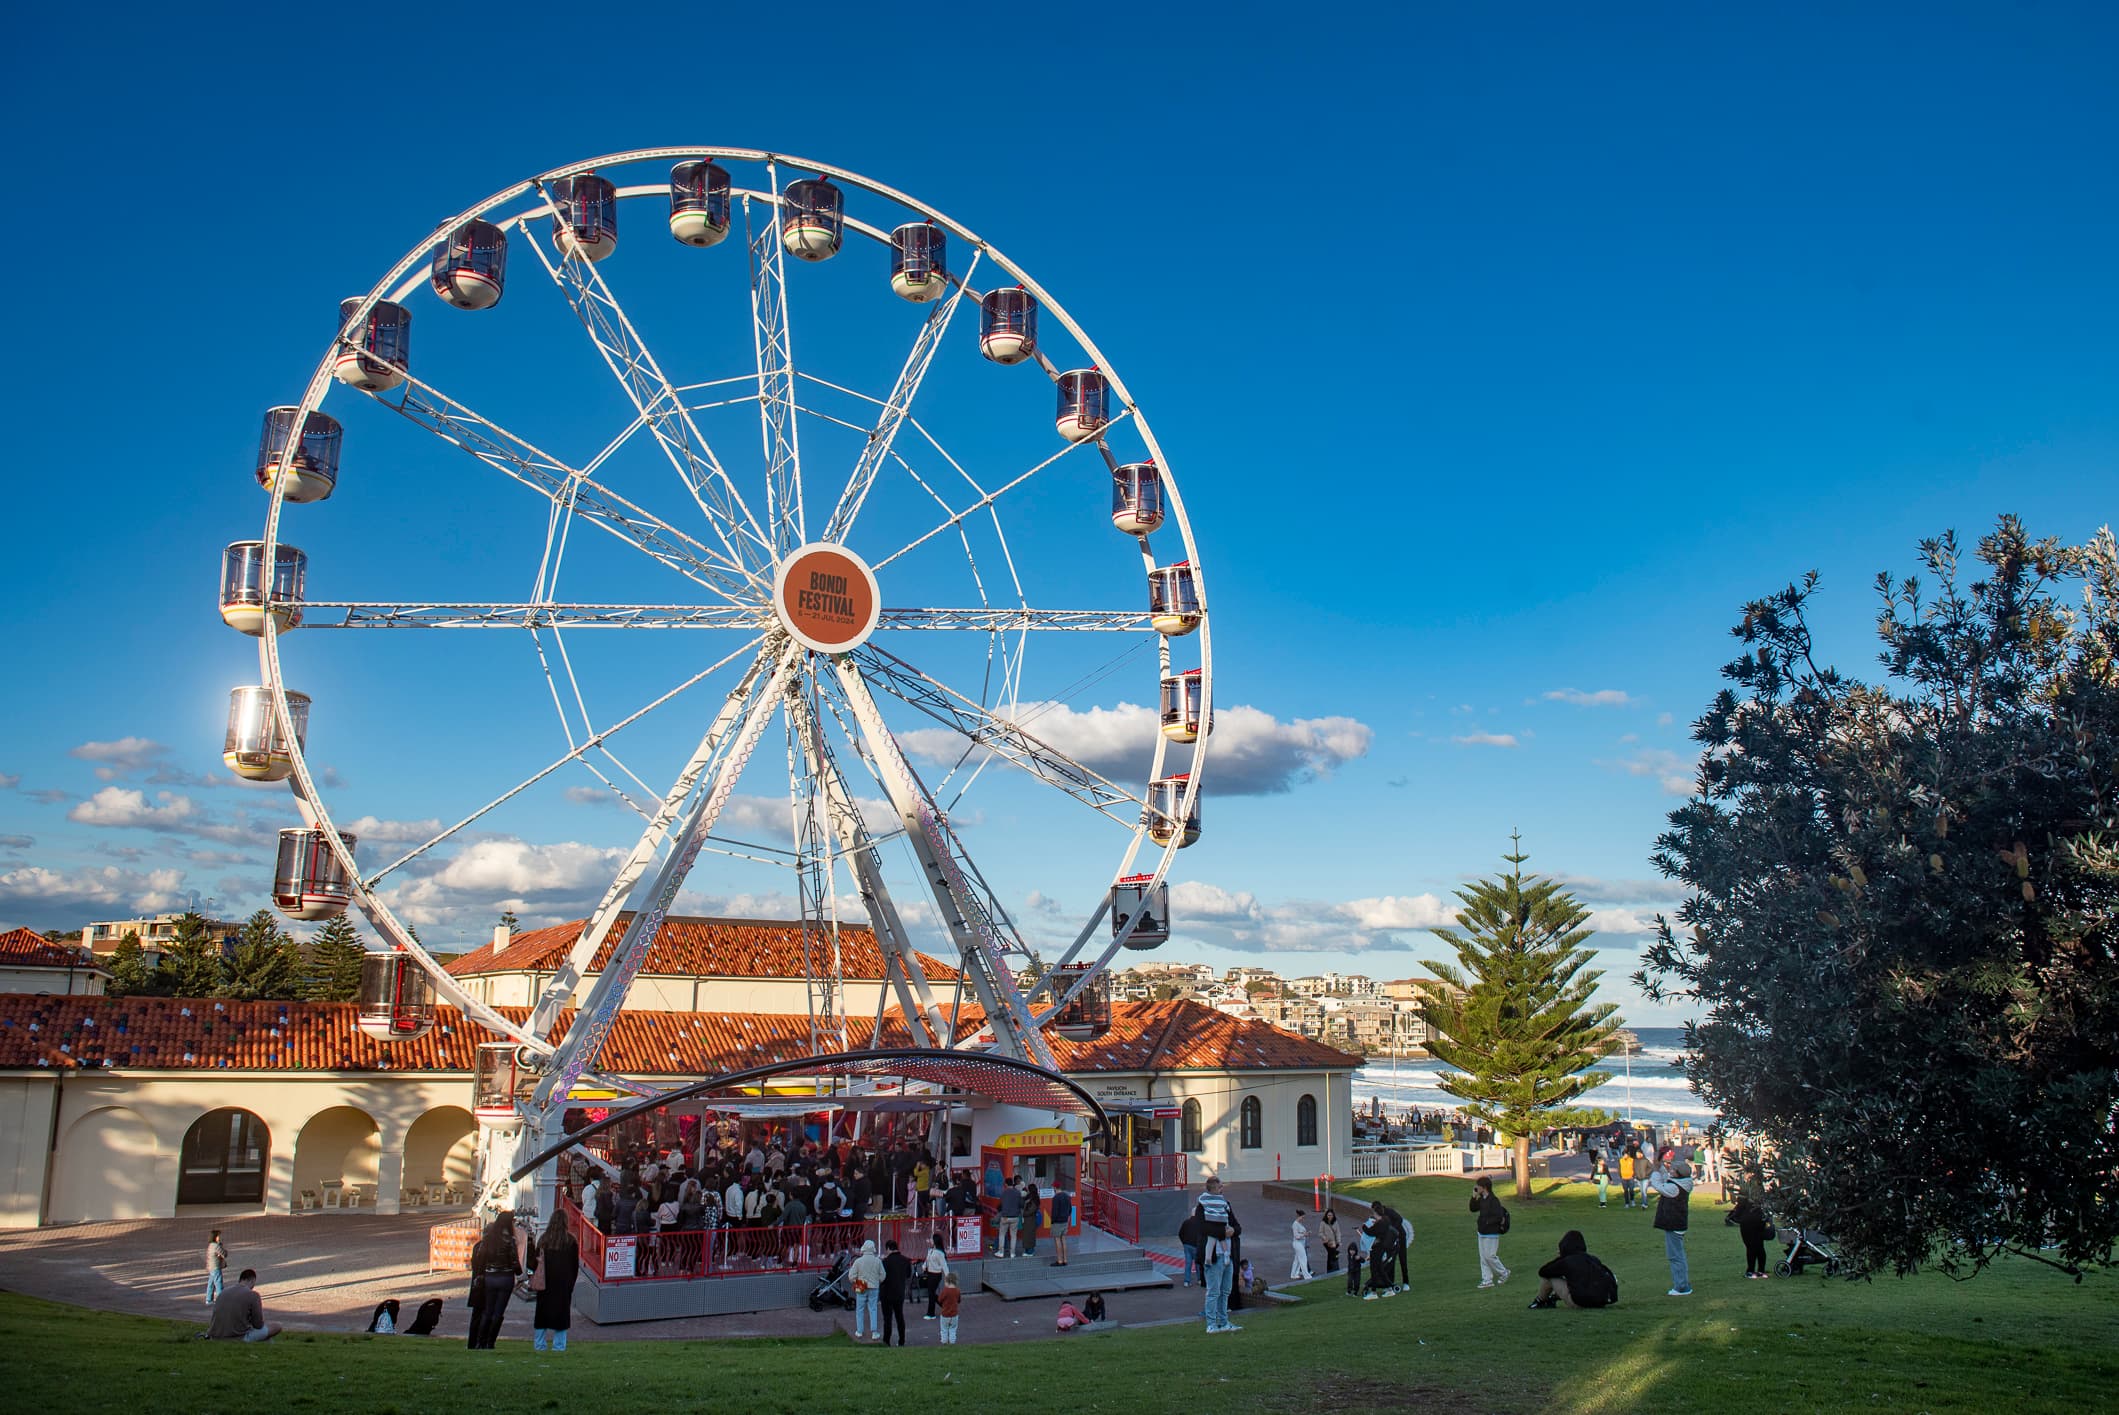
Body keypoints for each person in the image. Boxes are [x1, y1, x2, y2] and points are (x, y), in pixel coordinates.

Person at [466, 1212, 523, 1349]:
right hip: (505, 1277)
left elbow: (480, 1258)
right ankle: (490, 1342)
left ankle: (481, 1341)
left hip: (490, 1276)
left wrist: (481, 1274)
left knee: (487, 1311)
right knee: (498, 1312)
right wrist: (520, 1273)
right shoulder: (509, 1240)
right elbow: (514, 1261)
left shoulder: (488, 1240)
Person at [1195, 1177, 1240, 1333]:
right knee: (1214, 1291)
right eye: (1220, 1187)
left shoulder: (1225, 1204)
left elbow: (1236, 1225)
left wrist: (1233, 1231)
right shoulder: (1202, 1206)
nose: (1223, 1189)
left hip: (1227, 1254)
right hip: (1214, 1256)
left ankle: (1223, 1322)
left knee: (1225, 1290)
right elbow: (1202, 1228)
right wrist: (1223, 1232)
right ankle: (1211, 1324)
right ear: (1213, 1188)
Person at [1528, 1229, 1619, 1309]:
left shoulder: (1567, 1261)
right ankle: (1553, 1298)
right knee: (1577, 1280)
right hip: (1600, 1302)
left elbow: (1543, 1272)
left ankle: (1539, 1301)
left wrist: (1560, 1258)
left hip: (1581, 1302)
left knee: (1551, 1278)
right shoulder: (1593, 1259)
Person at [531, 1213, 581, 1352]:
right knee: (562, 1315)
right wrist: (571, 1283)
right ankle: (559, 1346)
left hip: (545, 1281)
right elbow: (574, 1265)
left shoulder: (543, 1240)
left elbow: (534, 1262)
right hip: (563, 1282)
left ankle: (539, 1344)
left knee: (542, 1313)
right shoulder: (570, 1240)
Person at [1649, 1156, 1695, 1296]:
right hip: (1678, 1223)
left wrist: (1656, 1171)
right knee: (1678, 1255)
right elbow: (1666, 1179)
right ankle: (1683, 1284)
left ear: (1678, 1173)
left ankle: (1681, 1287)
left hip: (1674, 1224)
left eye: (1673, 1170)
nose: (1671, 1171)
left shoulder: (1674, 1188)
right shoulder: (1682, 1183)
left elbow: (1658, 1185)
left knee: (1675, 1256)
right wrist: (1661, 1168)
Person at [206, 1268, 281, 1342]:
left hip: (215, 1335)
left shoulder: (223, 1292)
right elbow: (258, 1325)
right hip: (238, 1337)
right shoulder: (253, 1295)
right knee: (277, 1326)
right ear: (252, 1280)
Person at [1470, 1176, 1511, 1289]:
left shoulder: (1493, 1200)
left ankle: (1504, 1272)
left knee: (1489, 1256)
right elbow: (1473, 1209)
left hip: (1491, 1233)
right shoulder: (1482, 1199)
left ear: (1484, 1187)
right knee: (1483, 1257)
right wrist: (1474, 1197)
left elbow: (1498, 1216)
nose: (1476, 1187)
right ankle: (1487, 1280)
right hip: (1482, 1232)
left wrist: (1487, 1222)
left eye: (1478, 1185)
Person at [1734, 1167, 1772, 1279]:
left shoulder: (1747, 1188)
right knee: (1759, 1245)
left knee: (1750, 1246)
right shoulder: (1761, 1188)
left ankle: (1750, 1271)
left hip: (1748, 1219)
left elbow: (1741, 1203)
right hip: (1759, 1218)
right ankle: (1761, 1270)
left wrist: (1736, 1216)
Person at [879, 1239, 914, 1346]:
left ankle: (886, 1341)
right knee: (900, 1317)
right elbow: (908, 1275)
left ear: (888, 1249)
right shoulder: (905, 1260)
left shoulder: (885, 1262)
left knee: (887, 1318)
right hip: (899, 1293)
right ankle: (901, 1340)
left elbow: (882, 1277)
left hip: (886, 1293)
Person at [850, 1238, 885, 1341]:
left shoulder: (858, 1261)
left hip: (861, 1285)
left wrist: (856, 1282)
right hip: (874, 1286)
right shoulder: (877, 1261)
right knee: (873, 1308)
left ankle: (859, 1331)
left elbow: (851, 1276)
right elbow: (883, 1275)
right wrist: (877, 1281)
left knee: (859, 1309)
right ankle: (874, 1332)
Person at [921, 1232, 951, 1318]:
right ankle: (944, 1306)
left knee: (931, 1293)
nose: (930, 1241)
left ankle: (931, 1313)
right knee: (932, 1293)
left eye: (931, 1239)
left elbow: (944, 1266)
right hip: (930, 1273)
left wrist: (947, 1277)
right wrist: (924, 1266)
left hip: (936, 1275)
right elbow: (927, 1260)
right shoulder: (930, 1251)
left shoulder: (939, 1253)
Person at [1048, 1178, 1074, 1267]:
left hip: (1057, 1222)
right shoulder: (1067, 1196)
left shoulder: (1056, 1198)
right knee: (1063, 1240)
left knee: (1057, 1240)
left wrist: (1052, 1221)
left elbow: (1055, 1212)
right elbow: (1070, 1209)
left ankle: (1059, 1260)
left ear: (1055, 1188)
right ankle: (1065, 1259)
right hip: (1065, 1221)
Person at [1178, 1207, 1206, 1288]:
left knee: (1188, 1264)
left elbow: (1180, 1233)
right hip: (1196, 1246)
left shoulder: (1186, 1222)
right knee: (1198, 1264)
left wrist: (1184, 1242)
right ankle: (1200, 1280)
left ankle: (1187, 1281)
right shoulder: (1200, 1223)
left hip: (1187, 1246)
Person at [996, 1177, 1024, 1258]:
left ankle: (1001, 1252)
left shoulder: (1003, 1193)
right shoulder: (1017, 1193)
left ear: (1006, 1184)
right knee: (1013, 1236)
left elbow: (1000, 1206)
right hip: (1015, 1217)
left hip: (1005, 1217)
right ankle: (1012, 1253)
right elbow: (1021, 1204)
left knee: (1002, 1234)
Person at [936, 1272, 962, 1345]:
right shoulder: (957, 1291)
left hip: (945, 1314)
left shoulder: (945, 1291)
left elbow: (939, 1299)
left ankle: (944, 1342)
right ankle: (952, 1342)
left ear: (947, 1281)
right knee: (953, 1329)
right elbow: (959, 1300)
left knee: (944, 1329)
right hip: (954, 1314)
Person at [1019, 1180, 1043, 1258]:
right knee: (1027, 1235)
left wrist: (1024, 1213)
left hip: (1030, 1219)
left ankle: (1030, 1251)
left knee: (1029, 1235)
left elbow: (1031, 1209)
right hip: (1028, 1220)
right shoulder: (1031, 1197)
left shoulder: (1034, 1199)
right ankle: (1027, 1250)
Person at [205, 1229, 227, 1307]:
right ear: (215, 1237)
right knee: (218, 1283)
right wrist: (221, 1246)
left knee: (211, 1283)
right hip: (216, 1267)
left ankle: (209, 1299)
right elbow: (224, 1253)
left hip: (211, 1267)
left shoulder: (211, 1245)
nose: (219, 1237)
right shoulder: (216, 1246)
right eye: (218, 1236)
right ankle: (221, 1300)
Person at [1290, 1209, 1314, 1281]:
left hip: (1301, 1244)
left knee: (1297, 1259)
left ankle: (1294, 1274)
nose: (1303, 1219)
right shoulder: (1295, 1224)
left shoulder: (1299, 1224)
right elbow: (1296, 1236)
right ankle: (1307, 1275)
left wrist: (1306, 1234)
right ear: (1298, 1216)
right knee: (1303, 1259)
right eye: (1302, 1217)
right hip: (1298, 1244)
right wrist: (1305, 1234)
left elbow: (1301, 1234)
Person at [1320, 1209, 1341, 1274]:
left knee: (1330, 1255)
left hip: (1335, 1242)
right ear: (1326, 1215)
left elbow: (1338, 1232)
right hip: (1327, 1242)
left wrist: (1339, 1241)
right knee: (1333, 1254)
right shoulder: (1323, 1223)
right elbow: (1320, 1233)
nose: (1330, 1216)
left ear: (1333, 1215)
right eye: (1328, 1215)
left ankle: (1330, 1270)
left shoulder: (1335, 1222)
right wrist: (1325, 1238)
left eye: (1331, 1215)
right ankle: (1334, 1269)